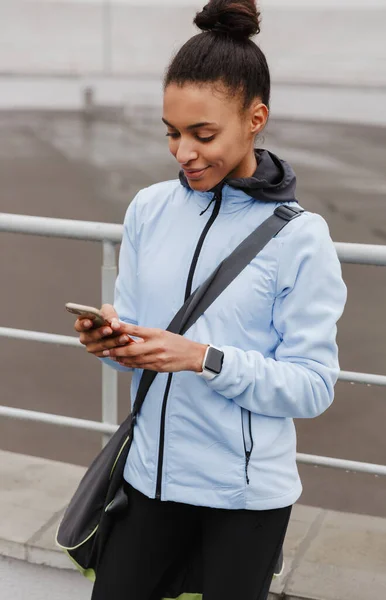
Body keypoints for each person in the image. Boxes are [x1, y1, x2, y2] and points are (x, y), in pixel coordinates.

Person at [74, 1, 347, 599]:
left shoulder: (300, 236)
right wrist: (113, 341)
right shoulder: (148, 208)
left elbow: (313, 385)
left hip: (243, 499)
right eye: (171, 133)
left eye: (203, 134)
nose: (183, 154)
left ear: (255, 119)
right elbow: (144, 341)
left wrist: (205, 358)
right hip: (147, 480)